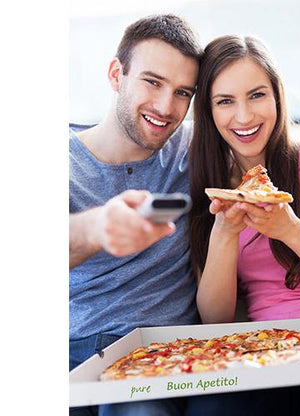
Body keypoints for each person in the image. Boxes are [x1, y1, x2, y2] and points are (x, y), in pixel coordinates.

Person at [188, 35, 300, 415]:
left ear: (277, 96)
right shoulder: (209, 192)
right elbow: (215, 318)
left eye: (257, 95)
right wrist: (225, 232)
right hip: (262, 355)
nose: (244, 117)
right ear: (209, 113)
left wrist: (290, 229)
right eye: (225, 101)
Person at [69, 14, 203, 416]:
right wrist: (95, 228)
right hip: (82, 347)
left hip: (173, 352)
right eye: (152, 82)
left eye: (183, 92)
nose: (166, 107)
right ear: (116, 74)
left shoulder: (194, 149)